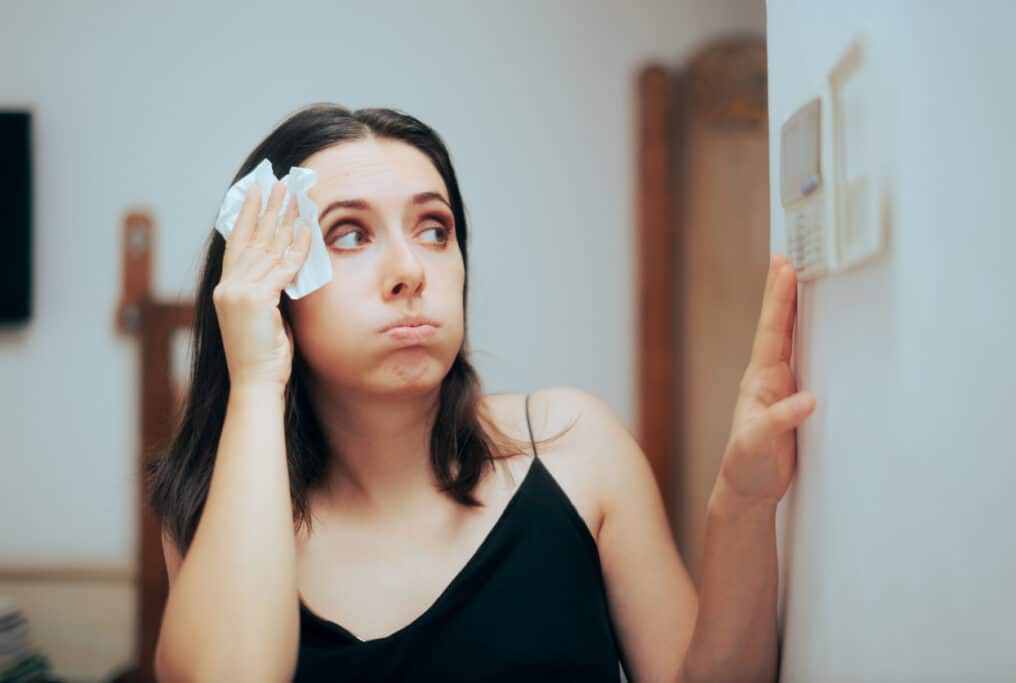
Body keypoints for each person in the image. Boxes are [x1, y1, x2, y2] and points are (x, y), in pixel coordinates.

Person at [146, 103, 815, 682]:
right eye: (349, 233)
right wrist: (258, 375)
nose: (410, 270)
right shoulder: (217, 508)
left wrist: (743, 503)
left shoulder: (576, 449)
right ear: (275, 280)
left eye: (434, 229)